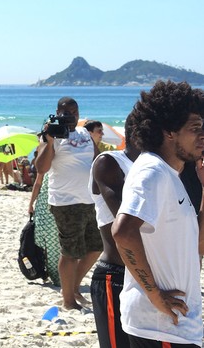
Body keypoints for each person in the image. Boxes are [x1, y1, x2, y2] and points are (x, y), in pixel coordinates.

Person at [112, 81, 204, 347]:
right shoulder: (153, 172)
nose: (203, 135)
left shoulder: (171, 175)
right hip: (160, 325)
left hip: (179, 324)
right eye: (195, 128)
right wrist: (154, 295)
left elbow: (197, 245)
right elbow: (123, 231)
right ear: (168, 131)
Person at [36, 96, 101, 310]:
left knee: (96, 247)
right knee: (70, 252)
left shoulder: (85, 133)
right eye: (66, 112)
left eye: (75, 111)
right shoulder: (52, 136)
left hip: (89, 199)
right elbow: (41, 167)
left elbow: (97, 159)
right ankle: (68, 300)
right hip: (66, 202)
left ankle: (72, 287)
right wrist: (50, 141)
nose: (72, 115)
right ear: (58, 112)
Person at [88, 113, 138, 348]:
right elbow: (125, 224)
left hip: (147, 276)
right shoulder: (109, 162)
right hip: (116, 273)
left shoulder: (165, 169)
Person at [27, 171, 60, 286]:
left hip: (53, 204)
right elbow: (38, 182)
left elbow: (38, 182)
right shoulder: (47, 161)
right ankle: (54, 275)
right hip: (46, 205)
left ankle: (55, 274)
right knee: (50, 242)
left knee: (51, 242)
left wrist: (31, 203)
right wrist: (31, 203)